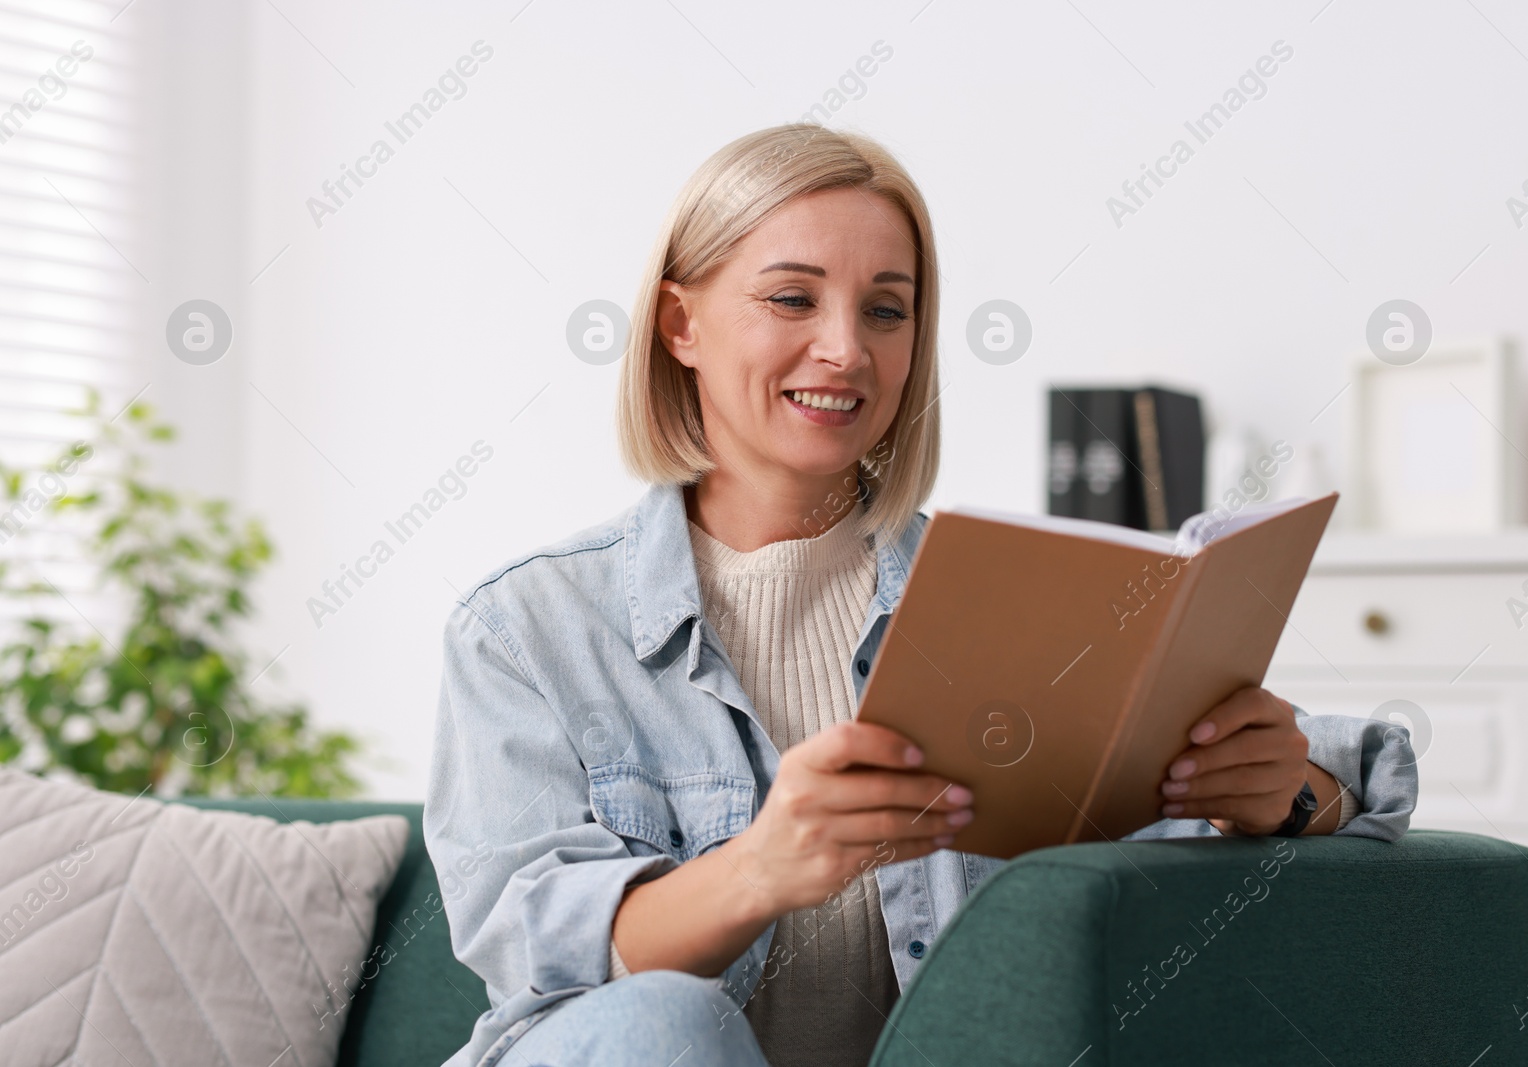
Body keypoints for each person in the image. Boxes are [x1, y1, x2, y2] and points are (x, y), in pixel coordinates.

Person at [423, 123, 1418, 1067]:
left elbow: (1249, 809)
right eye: (792, 299)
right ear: (681, 323)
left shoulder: (1009, 604)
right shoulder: (526, 630)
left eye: (886, 308)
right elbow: (536, 946)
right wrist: (761, 866)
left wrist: (1288, 792)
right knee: (661, 1019)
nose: (847, 349)